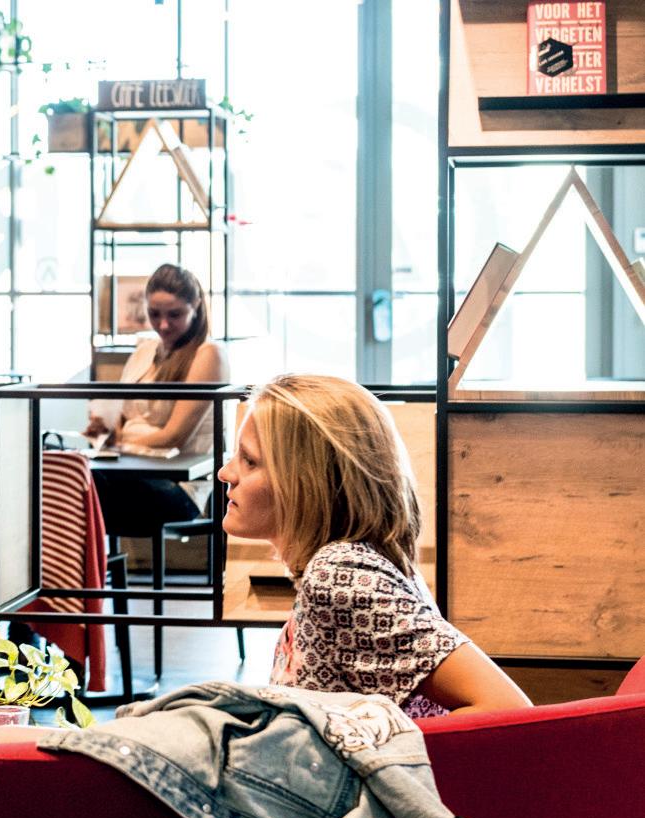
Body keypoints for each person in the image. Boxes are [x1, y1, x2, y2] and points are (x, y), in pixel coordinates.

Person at [218, 374, 530, 717]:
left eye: (250, 461)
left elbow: (507, 709)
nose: (225, 473)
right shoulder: (351, 561)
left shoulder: (338, 576)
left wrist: (386, 740)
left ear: (308, 479)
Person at [85, 263, 228, 537]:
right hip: (131, 473)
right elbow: (116, 419)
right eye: (154, 314)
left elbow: (173, 437)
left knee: (82, 487)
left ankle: (75, 564)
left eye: (175, 314)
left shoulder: (209, 354)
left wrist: (122, 440)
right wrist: (109, 431)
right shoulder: (145, 350)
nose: (163, 324)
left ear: (196, 306)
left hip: (180, 487)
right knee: (63, 476)